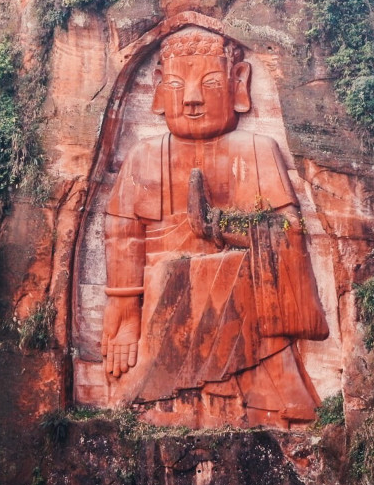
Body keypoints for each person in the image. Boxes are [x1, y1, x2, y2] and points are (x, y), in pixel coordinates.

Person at [100, 25, 329, 428]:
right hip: (162, 304)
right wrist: (123, 313)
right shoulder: (144, 155)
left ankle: (275, 388)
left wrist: (218, 226)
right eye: (175, 84)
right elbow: (122, 234)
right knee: (180, 275)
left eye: (208, 83)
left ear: (237, 83)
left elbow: (288, 232)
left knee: (246, 268)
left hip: (240, 295)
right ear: (158, 88)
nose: (191, 99)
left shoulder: (256, 150)